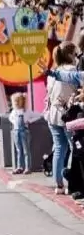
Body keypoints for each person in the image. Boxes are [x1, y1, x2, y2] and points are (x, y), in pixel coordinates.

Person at [43, 42, 84, 193]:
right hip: (68, 115)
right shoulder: (73, 70)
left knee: (59, 148)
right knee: (74, 148)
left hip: (52, 114)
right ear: (69, 55)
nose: (77, 56)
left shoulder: (54, 71)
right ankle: (73, 182)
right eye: (75, 53)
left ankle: (58, 184)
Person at [8, 92, 42, 175]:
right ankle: (19, 167)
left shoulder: (27, 111)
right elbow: (10, 118)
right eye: (15, 101)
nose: (16, 103)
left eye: (17, 101)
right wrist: (14, 122)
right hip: (16, 131)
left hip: (24, 131)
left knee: (26, 151)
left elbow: (38, 115)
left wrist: (29, 121)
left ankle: (27, 167)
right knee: (19, 150)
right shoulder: (14, 111)